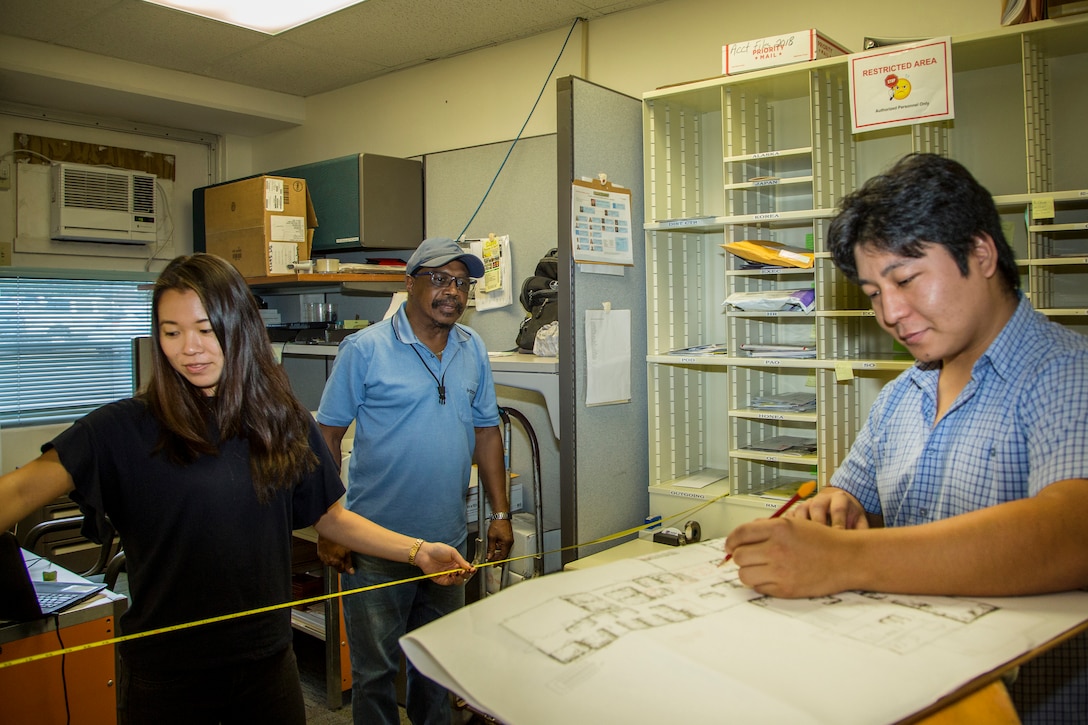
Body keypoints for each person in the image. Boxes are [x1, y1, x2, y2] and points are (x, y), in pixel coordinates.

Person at [0, 253, 473, 725]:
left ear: (239, 327)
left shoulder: (281, 423)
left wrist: (418, 552)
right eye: (171, 331)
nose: (190, 348)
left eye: (206, 329)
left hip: (267, 668)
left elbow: (328, 517)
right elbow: (18, 495)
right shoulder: (120, 430)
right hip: (166, 678)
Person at [723, 153, 1088, 722]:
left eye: (906, 279)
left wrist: (846, 559)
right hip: (907, 683)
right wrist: (833, 511)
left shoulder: (1066, 372)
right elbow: (846, 500)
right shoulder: (902, 396)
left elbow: (1073, 533)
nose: (890, 313)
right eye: (872, 293)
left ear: (981, 253)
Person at [316, 237, 514, 725]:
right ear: (410, 283)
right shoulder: (364, 350)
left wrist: (501, 513)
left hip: (447, 543)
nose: (453, 291)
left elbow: (487, 432)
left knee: (438, 671)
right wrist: (328, 525)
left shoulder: (473, 350)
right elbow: (326, 436)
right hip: (375, 545)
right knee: (375, 675)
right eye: (440, 279)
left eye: (462, 282)